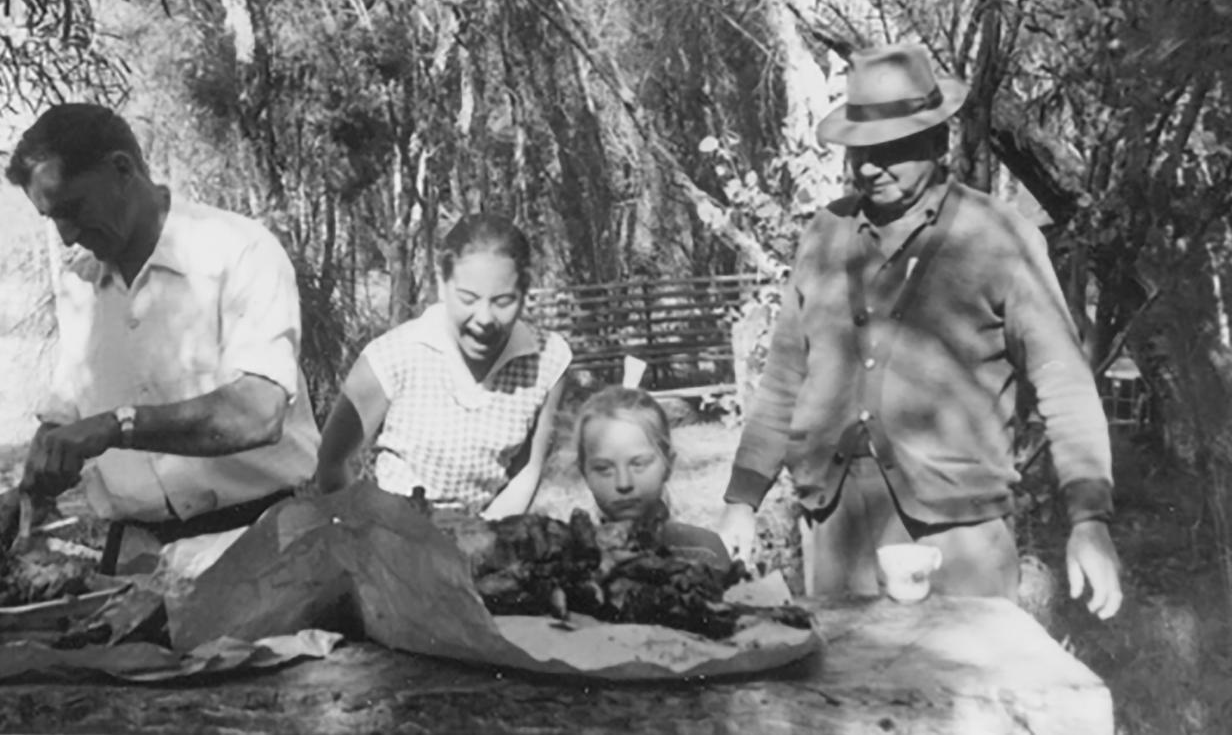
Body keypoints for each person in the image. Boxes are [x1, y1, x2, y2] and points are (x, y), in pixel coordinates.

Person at [716, 42, 1123, 618]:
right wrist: (742, 499)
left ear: (937, 144)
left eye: (893, 149)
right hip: (837, 526)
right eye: (861, 150)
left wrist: (1089, 518)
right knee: (840, 691)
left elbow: (1064, 384)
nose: (872, 166)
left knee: (967, 699)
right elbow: (785, 378)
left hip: (958, 532)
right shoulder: (824, 236)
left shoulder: (998, 237)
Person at [0, 102, 320, 574]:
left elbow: (259, 412)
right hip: (136, 557)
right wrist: (36, 479)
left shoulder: (237, 252)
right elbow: (68, 415)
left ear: (122, 169)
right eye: (52, 219)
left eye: (72, 208)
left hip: (259, 545)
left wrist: (118, 426)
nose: (66, 236)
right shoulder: (80, 289)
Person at [316, 213, 571, 519]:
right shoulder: (393, 356)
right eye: (468, 298)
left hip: (487, 538)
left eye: (503, 301)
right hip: (398, 537)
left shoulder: (547, 360)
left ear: (525, 289)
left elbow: (527, 471)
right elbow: (331, 462)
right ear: (442, 283)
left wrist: (481, 539)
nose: (485, 318)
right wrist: (370, 531)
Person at [575, 384, 729, 568]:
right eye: (603, 468)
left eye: (639, 464)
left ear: (668, 464)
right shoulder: (572, 562)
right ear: (584, 472)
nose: (623, 483)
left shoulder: (703, 552)